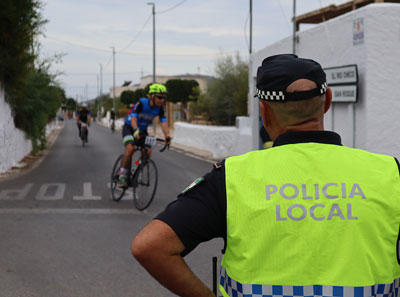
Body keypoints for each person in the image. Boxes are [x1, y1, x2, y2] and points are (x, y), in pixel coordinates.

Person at [131, 54, 400, 297]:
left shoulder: (232, 177)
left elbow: (150, 246)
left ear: (264, 111)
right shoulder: (390, 173)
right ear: (328, 101)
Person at [117, 83, 171, 188]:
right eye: (159, 97)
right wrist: (135, 130)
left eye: (164, 98)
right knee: (130, 149)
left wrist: (167, 136)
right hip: (130, 128)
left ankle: (136, 166)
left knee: (147, 152)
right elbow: (133, 117)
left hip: (142, 131)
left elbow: (163, 122)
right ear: (151, 96)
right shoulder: (141, 103)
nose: (162, 100)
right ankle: (122, 176)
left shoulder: (160, 108)